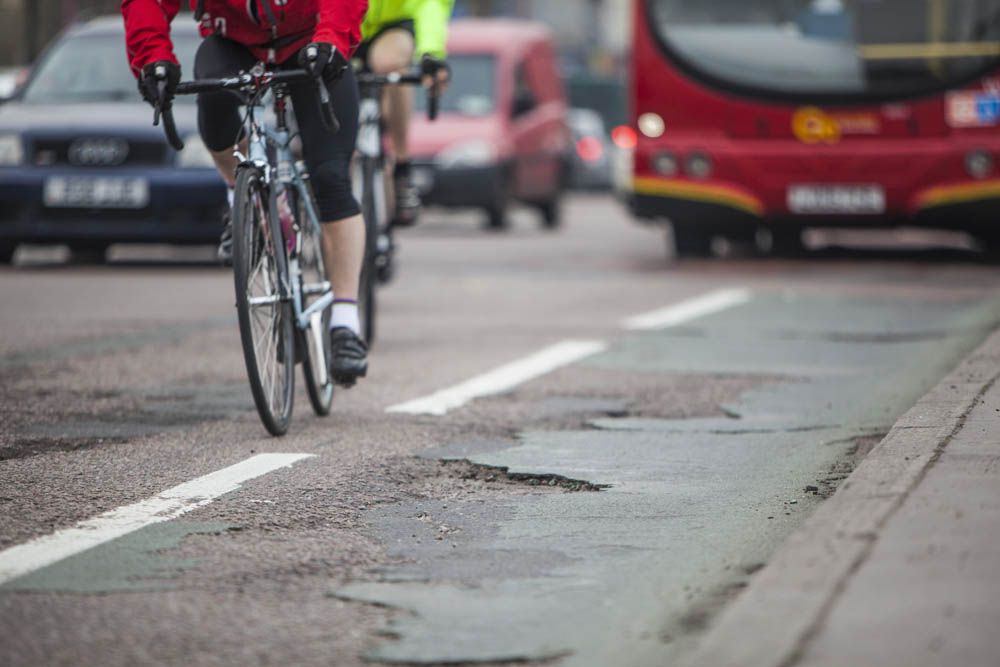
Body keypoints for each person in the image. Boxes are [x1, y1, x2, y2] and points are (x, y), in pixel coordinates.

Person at [121, 0, 370, 386]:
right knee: (216, 109)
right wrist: (153, 57)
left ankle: (345, 322)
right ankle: (247, 196)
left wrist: (333, 40)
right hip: (234, 43)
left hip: (311, 38)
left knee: (331, 178)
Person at [355, 0, 453, 225]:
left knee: (390, 65)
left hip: (393, 25)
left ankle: (401, 164)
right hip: (341, 21)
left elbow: (433, 4)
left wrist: (431, 53)